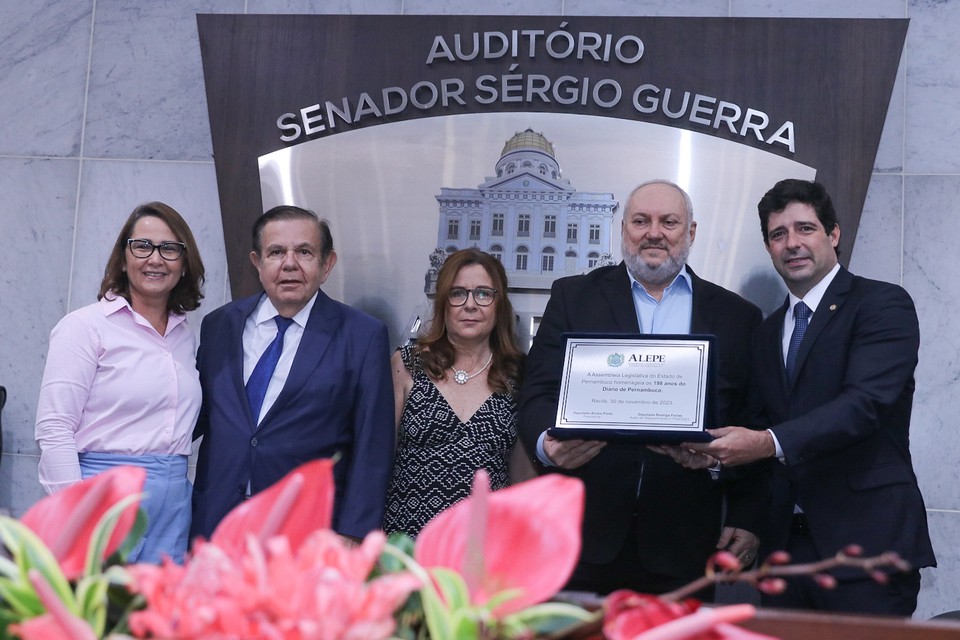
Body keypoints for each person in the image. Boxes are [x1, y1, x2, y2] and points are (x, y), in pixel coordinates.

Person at [685, 179, 936, 615]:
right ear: (768, 247)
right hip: (786, 553)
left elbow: (865, 405)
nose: (792, 243)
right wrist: (712, 456)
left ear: (833, 234)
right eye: (778, 234)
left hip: (866, 549)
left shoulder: (880, 304)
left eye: (805, 229)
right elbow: (758, 426)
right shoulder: (765, 333)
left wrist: (764, 443)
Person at [518, 180, 766, 596]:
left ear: (691, 233)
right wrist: (548, 443)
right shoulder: (573, 298)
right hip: (581, 537)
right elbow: (537, 391)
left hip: (686, 543)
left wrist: (748, 514)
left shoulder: (737, 316)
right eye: (641, 221)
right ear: (623, 230)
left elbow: (756, 421)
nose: (654, 232)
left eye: (669, 221)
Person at [190, 205, 394, 541]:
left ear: (326, 264)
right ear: (258, 262)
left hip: (309, 531)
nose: (289, 263)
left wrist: (353, 533)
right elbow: (195, 415)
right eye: (276, 252)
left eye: (304, 252)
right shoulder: (219, 325)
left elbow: (373, 446)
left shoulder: (362, 335)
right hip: (218, 522)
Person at [35, 202, 205, 563]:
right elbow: (54, 428)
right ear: (123, 256)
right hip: (104, 500)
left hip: (173, 506)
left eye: (169, 249)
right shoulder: (85, 327)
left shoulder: (184, 335)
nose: (155, 259)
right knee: (99, 617)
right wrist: (76, 516)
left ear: (184, 263)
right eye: (142, 246)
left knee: (159, 617)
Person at [383, 248, 526, 537]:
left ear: (499, 305)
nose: (470, 305)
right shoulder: (408, 363)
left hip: (485, 545)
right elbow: (377, 457)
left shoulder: (519, 373)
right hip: (406, 545)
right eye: (458, 293)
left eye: (484, 294)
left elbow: (523, 475)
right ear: (443, 302)